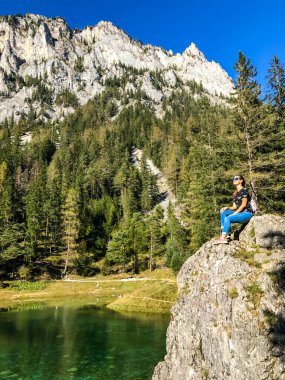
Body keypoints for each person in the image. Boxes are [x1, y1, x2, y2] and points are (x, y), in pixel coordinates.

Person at [213, 175, 254, 245]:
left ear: (241, 180)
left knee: (228, 218)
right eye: (233, 179)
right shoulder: (236, 193)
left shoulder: (244, 190)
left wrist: (235, 213)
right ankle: (226, 234)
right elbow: (234, 206)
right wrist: (227, 207)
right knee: (223, 212)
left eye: (236, 178)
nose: (234, 180)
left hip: (247, 213)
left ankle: (223, 238)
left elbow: (244, 205)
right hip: (239, 213)